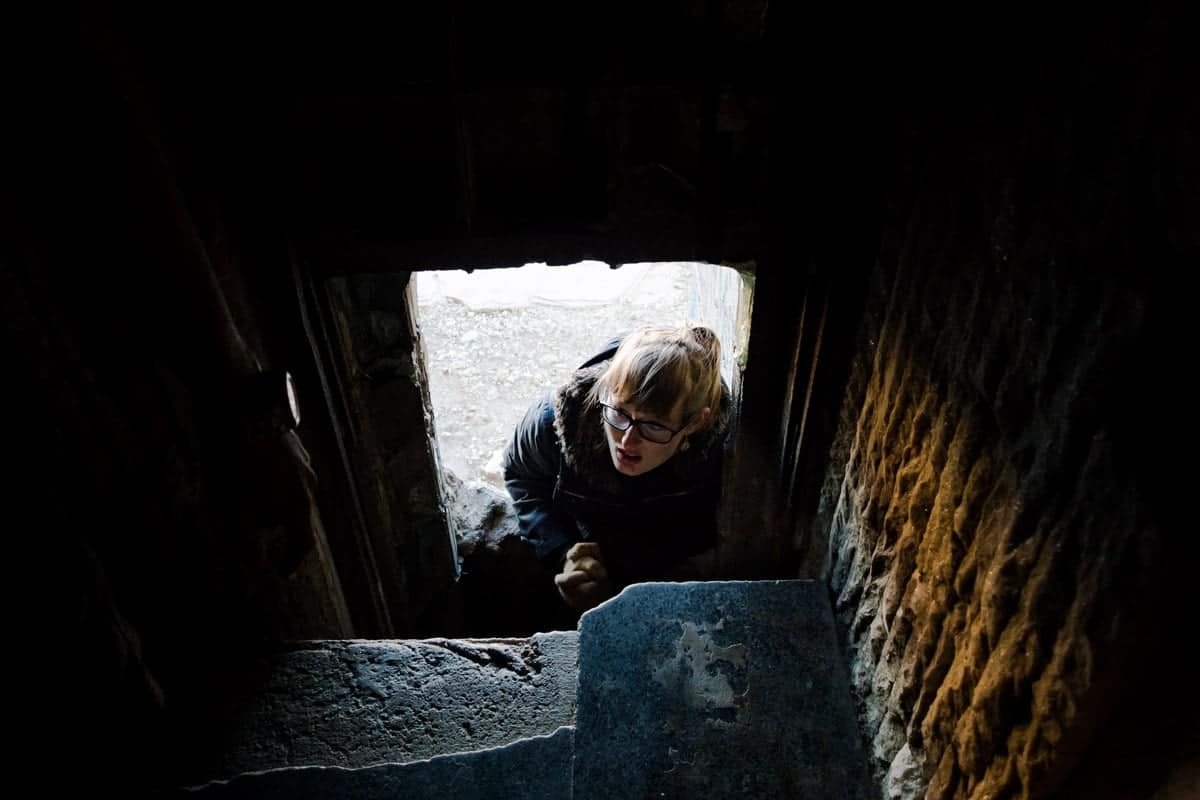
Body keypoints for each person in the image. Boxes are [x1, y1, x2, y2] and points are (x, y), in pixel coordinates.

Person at [501, 323, 730, 618]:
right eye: (620, 413)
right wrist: (561, 551)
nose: (627, 440)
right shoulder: (555, 423)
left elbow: (703, 528)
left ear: (694, 424)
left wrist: (632, 568)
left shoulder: (718, 455)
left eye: (654, 425)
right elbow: (520, 474)